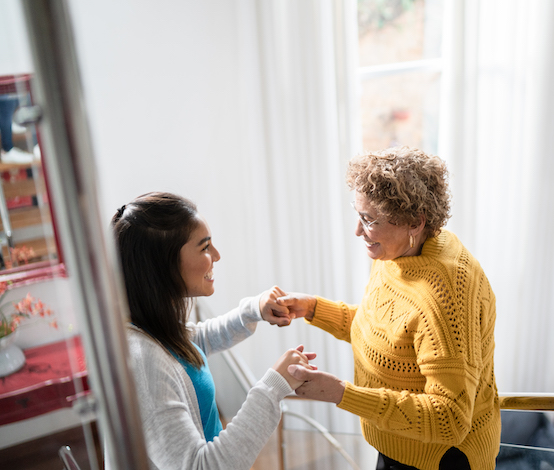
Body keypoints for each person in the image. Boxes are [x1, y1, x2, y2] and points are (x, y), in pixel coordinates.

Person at [266, 147, 501, 470]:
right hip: (400, 442)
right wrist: (312, 308)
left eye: (369, 220)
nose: (358, 231)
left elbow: (449, 418)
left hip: (438, 459)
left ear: (414, 222)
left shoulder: (445, 295)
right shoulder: (399, 254)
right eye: (358, 215)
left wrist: (342, 394)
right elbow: (384, 331)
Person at [111, 191, 316, 470]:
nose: (217, 256)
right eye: (205, 247)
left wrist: (255, 308)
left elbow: (197, 340)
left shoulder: (152, 329)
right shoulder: (144, 363)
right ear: (164, 265)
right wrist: (272, 387)